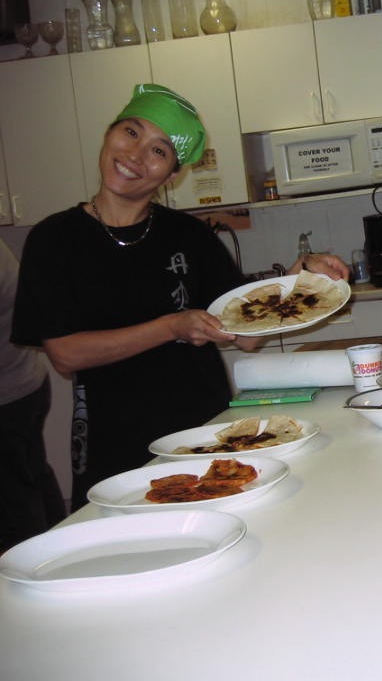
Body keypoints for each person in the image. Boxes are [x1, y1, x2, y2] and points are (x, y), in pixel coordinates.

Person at [12, 83, 349, 511]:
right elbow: (65, 354)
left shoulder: (190, 236)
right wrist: (171, 326)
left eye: (159, 150)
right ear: (109, 134)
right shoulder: (53, 240)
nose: (135, 155)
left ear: (173, 174)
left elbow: (246, 334)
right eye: (132, 133)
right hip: (112, 441)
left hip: (203, 433)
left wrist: (301, 280)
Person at [1, 239, 65, 551]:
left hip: (9, 393)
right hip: (24, 382)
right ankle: (57, 550)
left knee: (14, 496)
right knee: (33, 476)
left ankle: (29, 564)